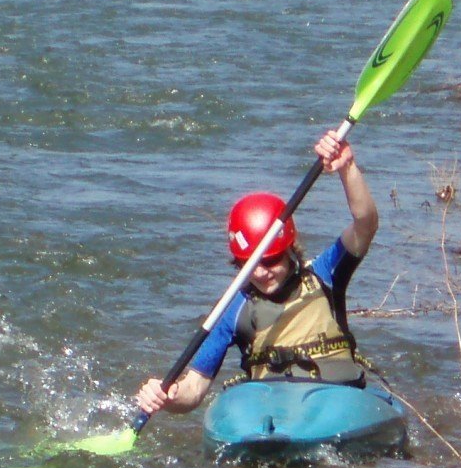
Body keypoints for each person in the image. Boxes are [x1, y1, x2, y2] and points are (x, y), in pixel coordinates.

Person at [135, 130, 376, 420]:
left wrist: (346, 167)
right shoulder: (231, 308)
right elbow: (194, 388)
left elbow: (365, 223)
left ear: (290, 250)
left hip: (340, 403)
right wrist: (168, 396)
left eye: (270, 260)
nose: (260, 273)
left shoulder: (325, 274)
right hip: (277, 416)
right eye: (248, 265)